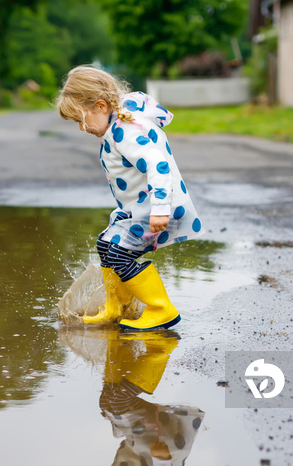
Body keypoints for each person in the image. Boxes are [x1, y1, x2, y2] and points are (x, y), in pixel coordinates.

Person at [56, 65, 204, 330]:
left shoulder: (126, 131)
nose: (81, 127)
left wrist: (160, 209)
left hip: (158, 208)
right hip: (140, 208)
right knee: (106, 246)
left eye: (81, 119)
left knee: (120, 255)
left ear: (101, 105)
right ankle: (117, 306)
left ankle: (162, 310)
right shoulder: (117, 125)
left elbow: (159, 165)